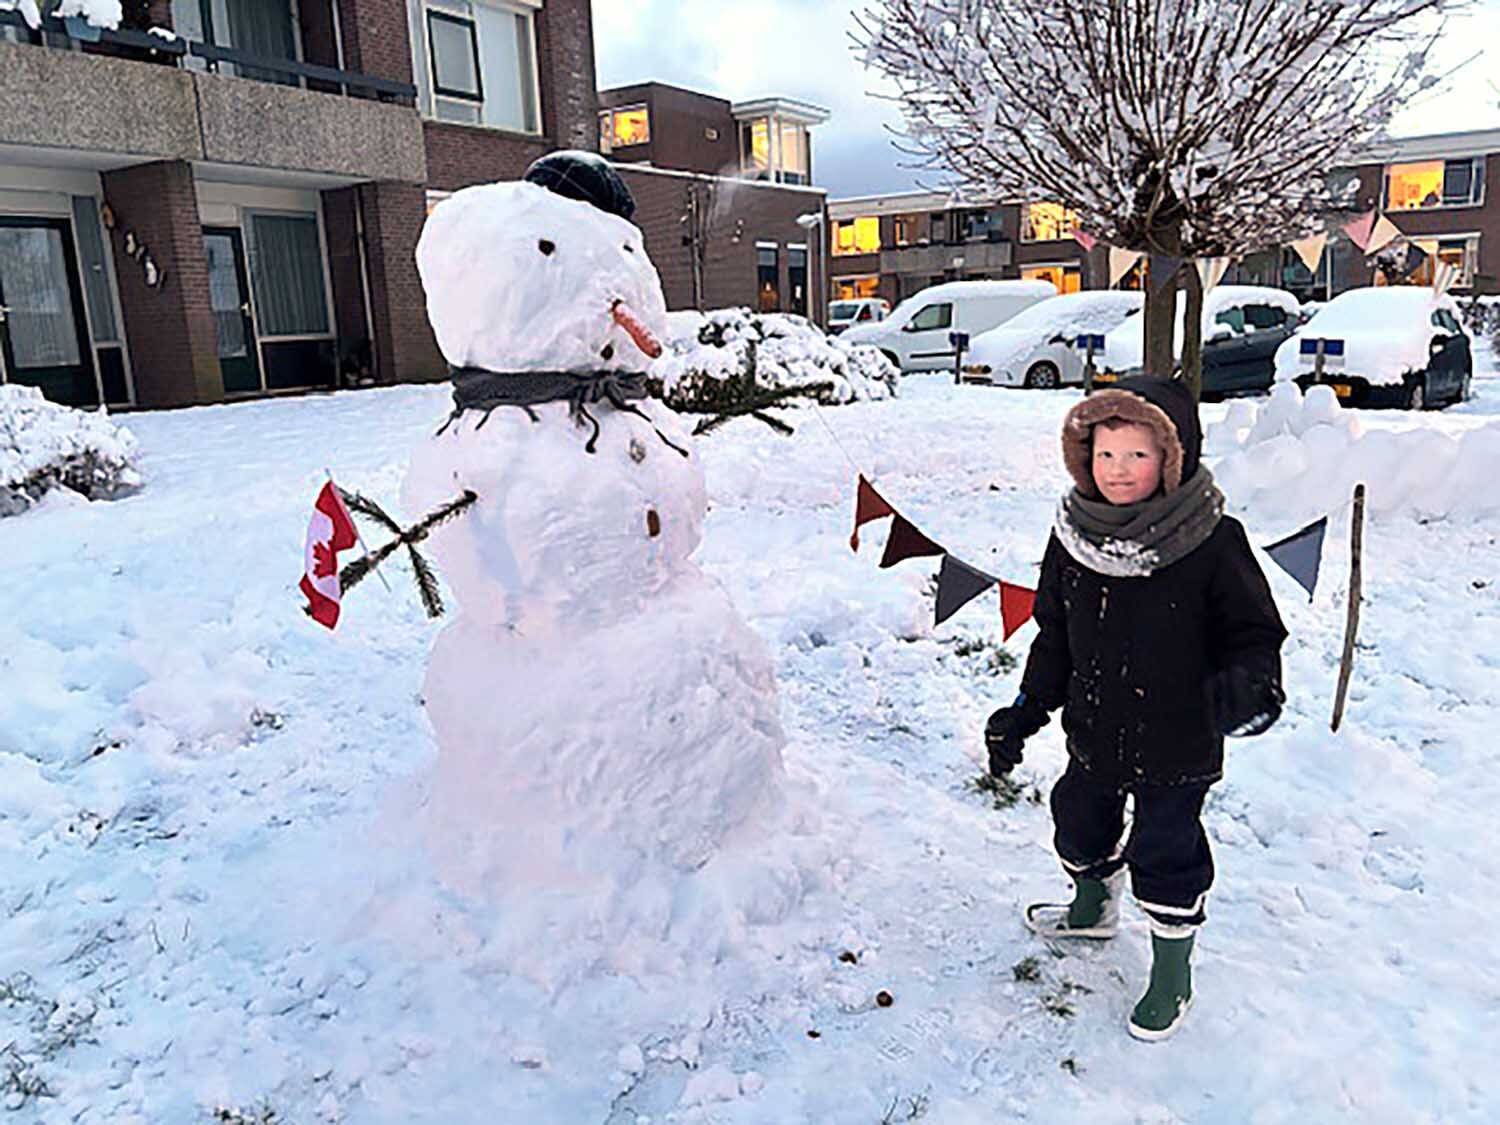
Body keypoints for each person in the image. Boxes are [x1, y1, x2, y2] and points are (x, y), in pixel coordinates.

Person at [985, 376, 1287, 1041]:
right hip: (1095, 726)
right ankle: (1092, 904)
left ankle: (1173, 969)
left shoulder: (1210, 538)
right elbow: (1055, 632)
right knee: (1078, 819)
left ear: (1172, 458)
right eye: (1106, 454)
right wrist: (1027, 707)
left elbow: (1253, 630)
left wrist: (1252, 681)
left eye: (1138, 455)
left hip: (1180, 736)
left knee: (1166, 849)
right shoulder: (1073, 536)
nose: (1120, 471)